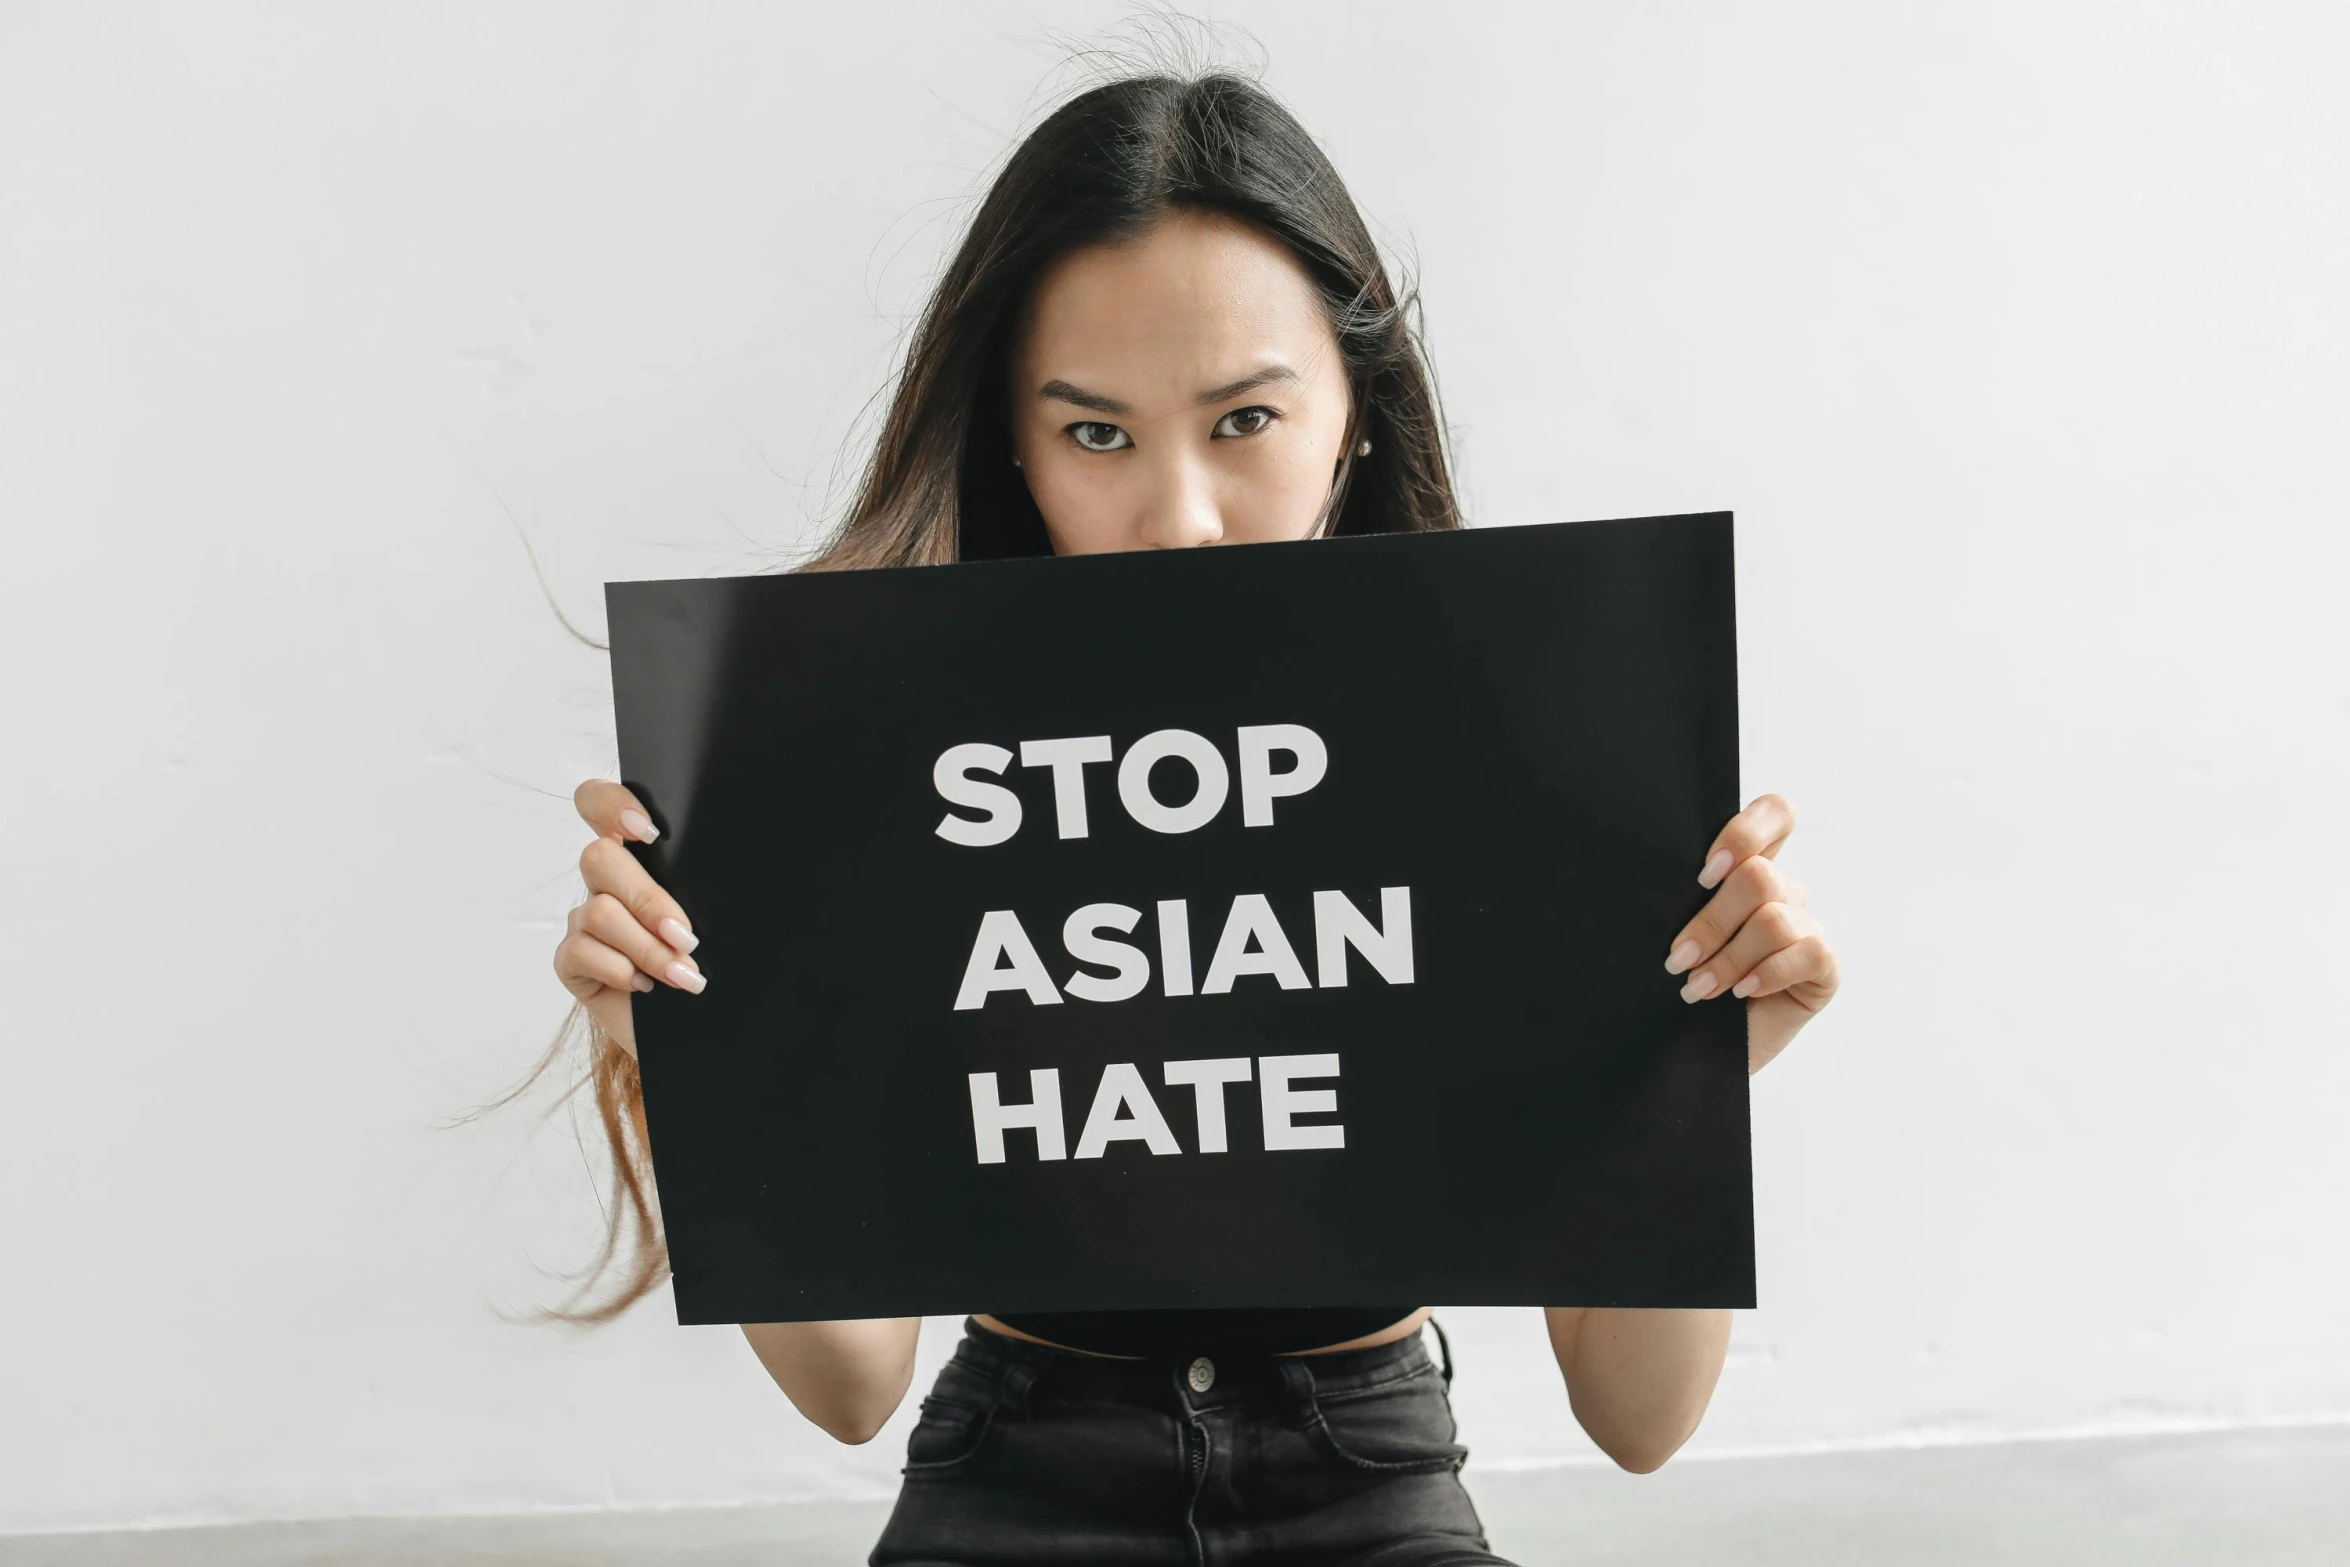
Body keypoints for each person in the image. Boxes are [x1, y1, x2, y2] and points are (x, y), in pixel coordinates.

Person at [535, 67, 1841, 1567]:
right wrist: (688, 1047)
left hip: (1369, 1468)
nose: (1181, 514)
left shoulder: (1524, 752)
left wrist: (1692, 1062)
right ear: (1012, 450)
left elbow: (1637, 1419)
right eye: (1096, 435)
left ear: (1353, 415)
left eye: (1244, 420)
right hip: (1012, 1464)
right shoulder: (870, 766)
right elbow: (847, 1385)